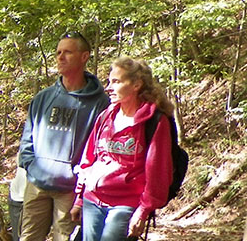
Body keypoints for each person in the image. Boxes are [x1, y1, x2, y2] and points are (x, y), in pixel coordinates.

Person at [70, 57, 175, 241]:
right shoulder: (107, 116)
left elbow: (158, 172)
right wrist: (79, 198)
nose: (109, 87)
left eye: (116, 82)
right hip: (92, 199)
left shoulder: (154, 122)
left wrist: (143, 211)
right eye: (109, 82)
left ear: (136, 85)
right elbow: (89, 158)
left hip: (125, 204)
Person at [18, 32, 111, 241]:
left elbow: (100, 147)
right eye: (58, 52)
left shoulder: (99, 103)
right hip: (37, 184)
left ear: (84, 56)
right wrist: (30, 165)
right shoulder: (44, 98)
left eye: (67, 52)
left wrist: (82, 181)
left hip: (71, 189)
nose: (60, 57)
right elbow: (27, 138)